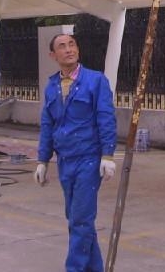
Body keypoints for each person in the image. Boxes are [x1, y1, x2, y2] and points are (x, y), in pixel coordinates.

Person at [34, 33, 117, 272]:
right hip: (65, 161)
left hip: (88, 159)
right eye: (62, 46)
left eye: (72, 44)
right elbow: (48, 125)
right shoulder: (52, 87)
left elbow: (106, 118)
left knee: (80, 219)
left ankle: (75, 268)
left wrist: (108, 155)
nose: (69, 49)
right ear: (53, 55)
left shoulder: (95, 81)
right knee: (77, 219)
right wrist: (42, 160)